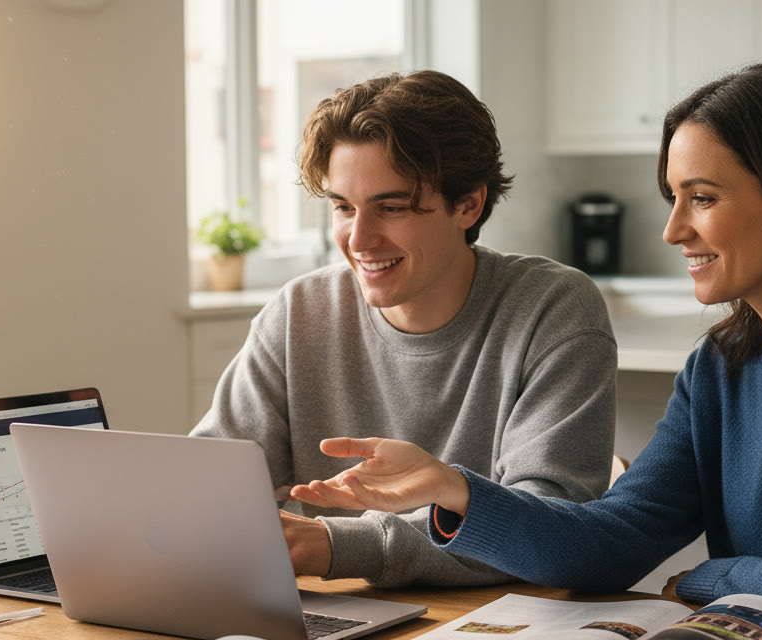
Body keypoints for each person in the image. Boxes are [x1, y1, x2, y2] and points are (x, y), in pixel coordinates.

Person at [289, 62, 762, 634]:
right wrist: (453, 488)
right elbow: (609, 541)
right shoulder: (720, 369)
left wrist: (710, 578)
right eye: (673, 197)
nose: (674, 231)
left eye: (702, 198)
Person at [192, 70, 618, 588]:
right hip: (337, 614)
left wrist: (335, 545)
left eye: (390, 208)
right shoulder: (299, 312)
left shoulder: (552, 309)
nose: (359, 239)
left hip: (486, 625)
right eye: (343, 208)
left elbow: (543, 525)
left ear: (469, 204)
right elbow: (212, 482)